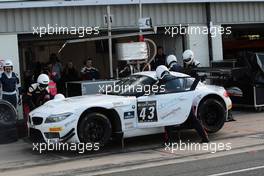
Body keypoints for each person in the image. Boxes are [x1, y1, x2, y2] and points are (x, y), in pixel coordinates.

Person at [156, 65, 209, 143]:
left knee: (167, 121)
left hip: (172, 105)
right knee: (194, 121)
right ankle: (205, 138)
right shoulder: (176, 77)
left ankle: (169, 141)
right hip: (185, 101)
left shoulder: (162, 82)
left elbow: (157, 92)